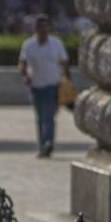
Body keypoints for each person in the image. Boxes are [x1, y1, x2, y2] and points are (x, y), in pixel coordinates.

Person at [18, 14, 71, 158]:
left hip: (52, 85)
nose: (42, 30)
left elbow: (64, 62)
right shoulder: (29, 45)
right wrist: (25, 76)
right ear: (35, 28)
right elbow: (22, 63)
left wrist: (67, 80)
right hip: (35, 86)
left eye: (45, 27)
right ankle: (42, 145)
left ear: (48, 28)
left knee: (48, 116)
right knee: (40, 117)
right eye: (39, 27)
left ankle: (48, 144)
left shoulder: (56, 43)